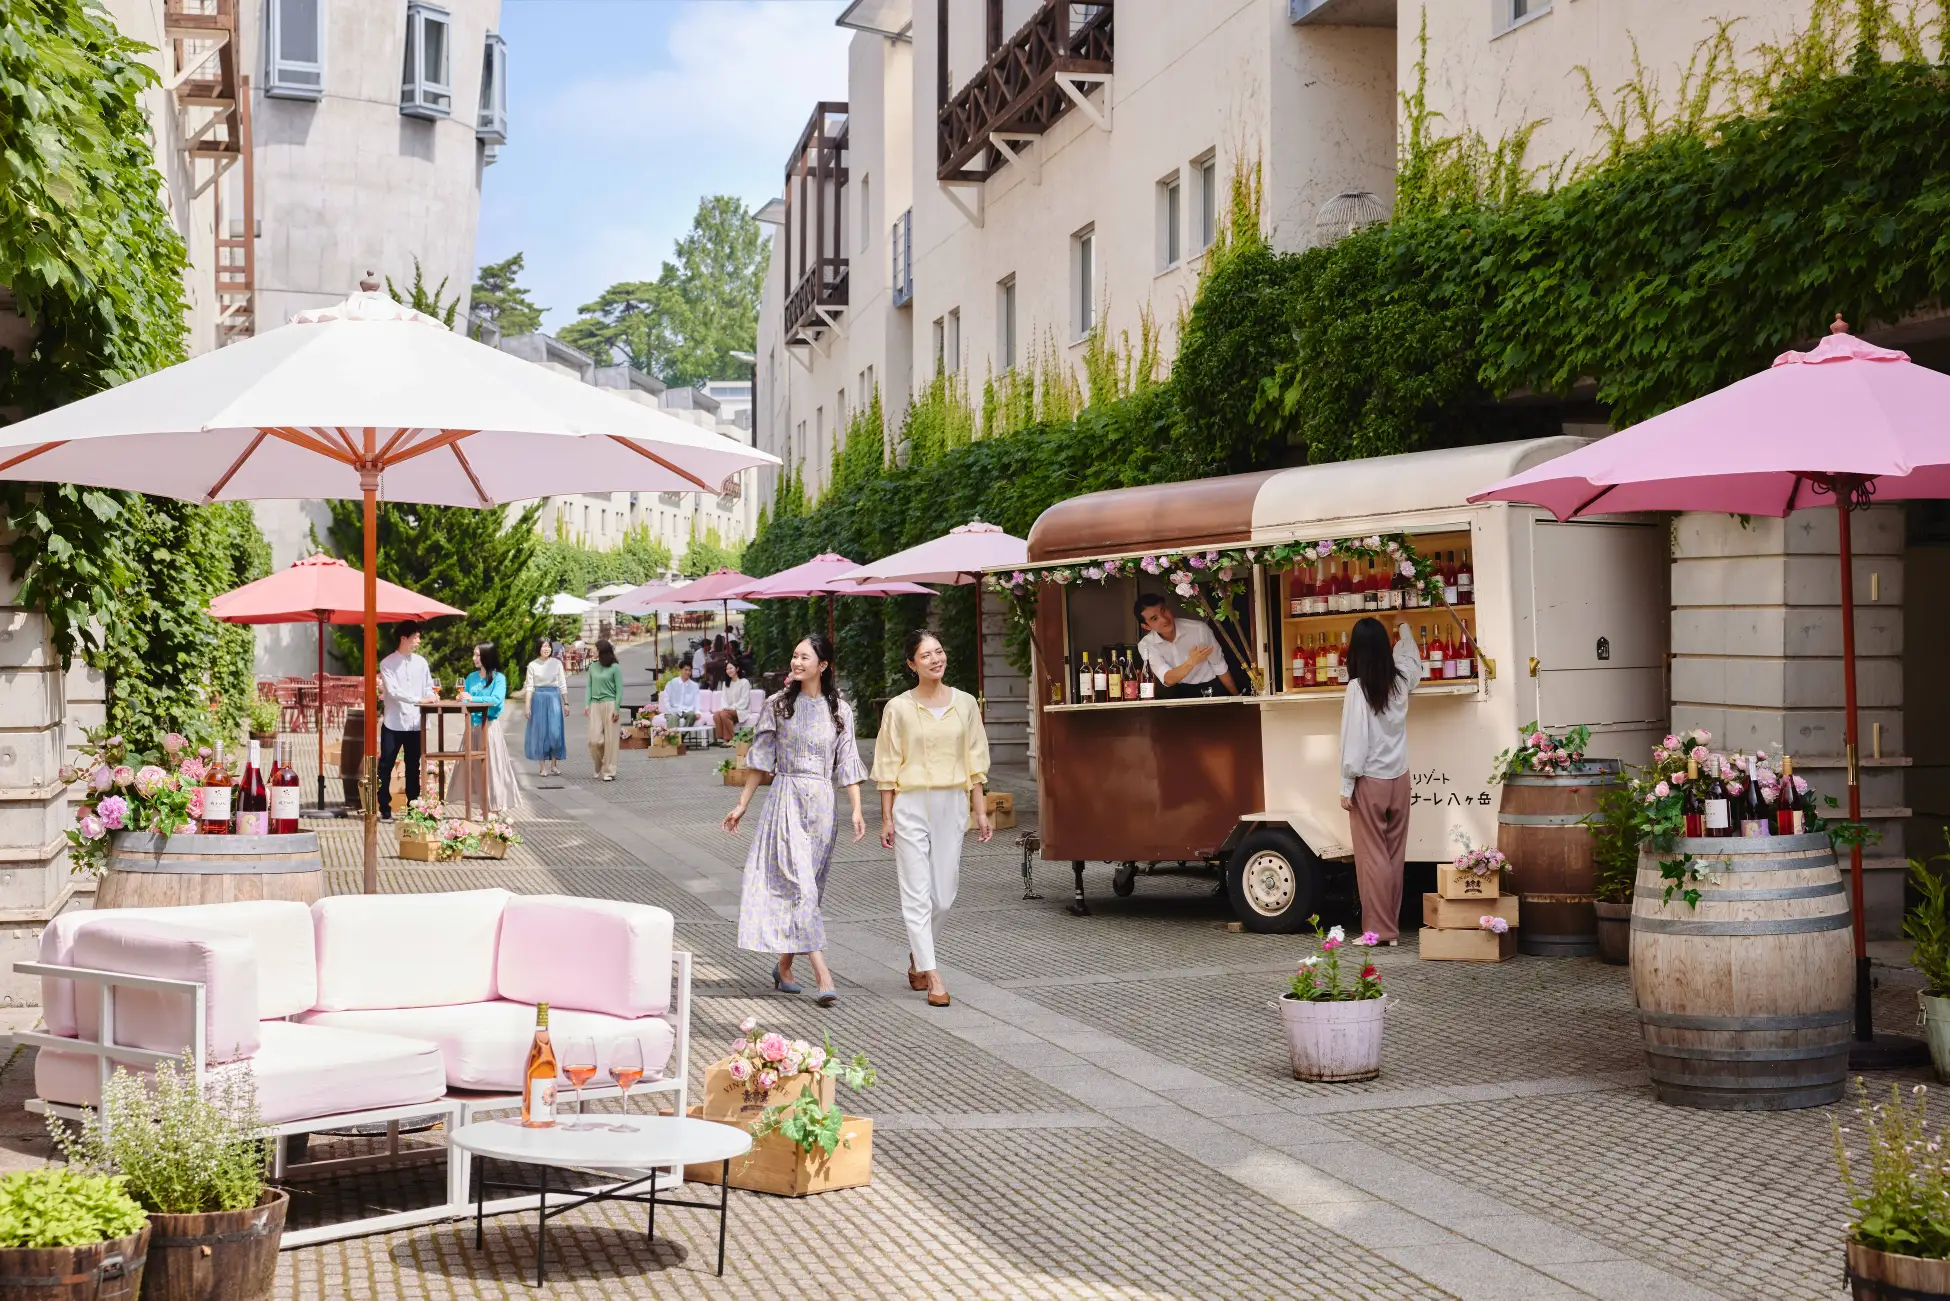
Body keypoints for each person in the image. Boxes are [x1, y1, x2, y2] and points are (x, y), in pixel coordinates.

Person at [722, 634, 866, 1008]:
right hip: (785, 800)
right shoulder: (778, 705)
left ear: (823, 665)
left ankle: (784, 967)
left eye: (804, 657)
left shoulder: (841, 711)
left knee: (808, 891)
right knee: (800, 887)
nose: (796, 662)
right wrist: (742, 804)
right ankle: (823, 976)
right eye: (794, 655)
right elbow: (760, 759)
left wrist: (856, 808)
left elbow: (848, 762)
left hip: (823, 807)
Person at [874, 630, 992, 1008]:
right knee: (916, 892)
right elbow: (887, 764)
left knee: (943, 896)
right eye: (925, 655)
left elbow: (975, 760)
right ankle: (933, 974)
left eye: (938, 651)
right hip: (910, 803)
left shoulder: (966, 703)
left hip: (951, 803)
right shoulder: (898, 708)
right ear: (912, 664)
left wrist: (980, 809)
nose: (935, 659)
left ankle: (918, 955)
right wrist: (887, 817)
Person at [1338, 618, 1425, 945]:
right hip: (1400, 778)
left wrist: (1346, 785)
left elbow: (1355, 742)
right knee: (1393, 856)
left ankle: (1378, 932)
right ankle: (1390, 929)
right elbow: (1412, 658)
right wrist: (1404, 627)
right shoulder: (1401, 680)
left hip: (1370, 781)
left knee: (1371, 858)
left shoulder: (1357, 688)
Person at [377, 621, 435, 820]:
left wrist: (431, 696)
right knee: (386, 765)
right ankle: (384, 805)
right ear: (403, 638)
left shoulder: (421, 662)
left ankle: (413, 807)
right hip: (394, 723)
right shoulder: (387, 663)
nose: (419, 641)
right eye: (415, 637)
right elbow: (393, 692)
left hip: (416, 723)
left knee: (413, 767)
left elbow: (428, 686)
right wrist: (420, 699)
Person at [455, 643, 519, 814]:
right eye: (474, 654)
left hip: (489, 727)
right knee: (473, 769)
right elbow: (466, 699)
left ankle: (494, 809)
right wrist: (461, 698)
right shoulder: (471, 677)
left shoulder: (499, 679)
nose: (474, 658)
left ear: (487, 656)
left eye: (478, 655)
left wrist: (472, 698)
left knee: (492, 768)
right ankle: (481, 808)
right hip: (471, 727)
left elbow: (496, 700)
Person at [1134, 595, 1238, 698]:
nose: (1164, 619)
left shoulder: (1199, 629)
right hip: (1177, 693)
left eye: (1163, 610)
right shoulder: (1147, 644)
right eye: (1155, 618)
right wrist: (1191, 662)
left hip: (1210, 689)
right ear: (1146, 626)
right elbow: (1167, 679)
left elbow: (1219, 665)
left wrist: (1237, 697)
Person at [522, 638, 568, 777]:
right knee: (540, 733)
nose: (546, 649)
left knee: (555, 732)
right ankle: (542, 767)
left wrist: (566, 703)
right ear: (539, 648)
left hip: (554, 697)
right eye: (543, 646)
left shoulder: (557, 663)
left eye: (548, 646)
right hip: (538, 699)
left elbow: (562, 684)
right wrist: (527, 706)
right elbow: (529, 687)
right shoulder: (532, 665)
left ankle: (554, 765)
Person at [584, 638, 622, 782]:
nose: (593, 650)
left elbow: (619, 690)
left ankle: (609, 771)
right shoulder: (592, 667)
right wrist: (586, 704)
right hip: (595, 704)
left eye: (595, 648)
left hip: (610, 704)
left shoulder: (615, 667)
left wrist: (617, 708)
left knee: (611, 740)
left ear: (601, 651)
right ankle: (598, 763)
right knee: (594, 740)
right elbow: (589, 686)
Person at [714, 659, 751, 744]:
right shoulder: (726, 683)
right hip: (729, 710)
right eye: (727, 669)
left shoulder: (744, 682)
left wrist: (731, 708)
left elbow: (744, 700)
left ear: (737, 669)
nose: (728, 671)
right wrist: (725, 707)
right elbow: (724, 698)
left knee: (724, 714)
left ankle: (730, 739)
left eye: (731, 668)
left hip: (741, 710)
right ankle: (723, 738)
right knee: (716, 715)